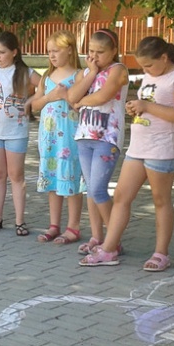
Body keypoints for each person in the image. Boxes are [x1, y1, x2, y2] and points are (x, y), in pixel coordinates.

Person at [80, 36, 174, 270]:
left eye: (149, 65)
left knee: (160, 200)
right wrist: (136, 108)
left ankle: (161, 253)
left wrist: (147, 106)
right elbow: (149, 104)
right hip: (139, 145)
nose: (145, 70)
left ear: (164, 58)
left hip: (162, 148)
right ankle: (109, 248)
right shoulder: (151, 74)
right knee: (121, 196)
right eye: (142, 67)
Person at [64, 29, 129, 257]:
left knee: (99, 189)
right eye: (91, 51)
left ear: (113, 51)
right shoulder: (86, 73)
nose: (94, 56)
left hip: (107, 137)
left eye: (100, 52)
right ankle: (97, 237)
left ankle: (113, 241)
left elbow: (104, 96)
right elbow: (71, 97)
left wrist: (80, 101)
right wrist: (91, 73)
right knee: (90, 191)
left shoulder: (118, 70)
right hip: (84, 136)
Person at [0, 32, 41, 236]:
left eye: (2, 52)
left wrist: (30, 101)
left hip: (16, 132)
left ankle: (19, 221)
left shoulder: (24, 72)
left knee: (16, 175)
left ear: (14, 52)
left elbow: (45, 85)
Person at [28, 30, 83, 244]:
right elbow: (35, 105)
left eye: (56, 50)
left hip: (69, 136)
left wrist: (65, 96)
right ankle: (54, 225)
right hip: (49, 137)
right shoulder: (46, 77)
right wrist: (51, 96)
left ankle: (73, 226)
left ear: (69, 50)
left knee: (71, 179)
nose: (51, 55)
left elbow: (80, 105)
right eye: (49, 51)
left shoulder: (79, 76)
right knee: (52, 180)